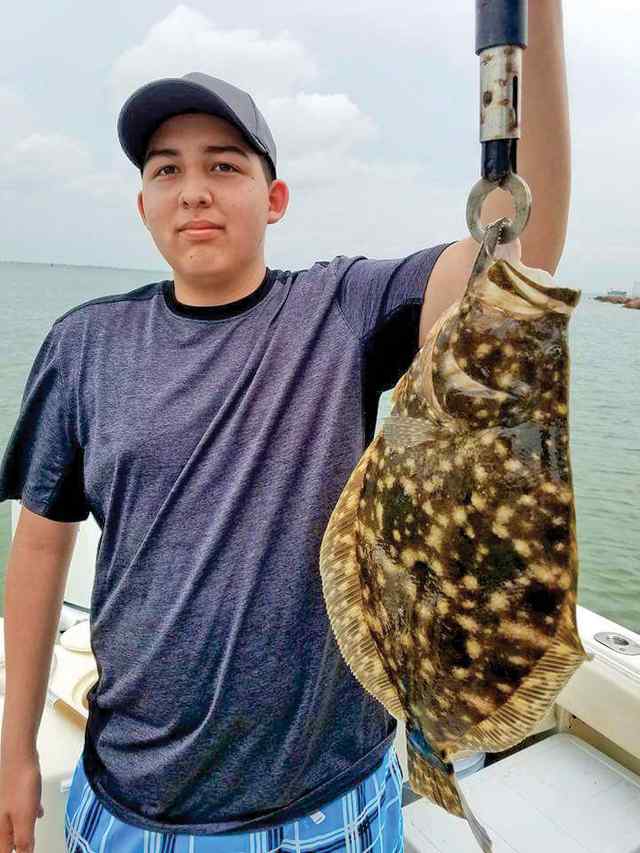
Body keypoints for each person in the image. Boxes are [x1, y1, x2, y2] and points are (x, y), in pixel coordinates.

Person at [0, 8, 570, 847]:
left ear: (273, 199)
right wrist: (15, 748)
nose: (192, 187)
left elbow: (518, 254)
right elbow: (42, 544)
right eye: (167, 169)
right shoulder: (84, 344)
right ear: (143, 202)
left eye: (222, 165)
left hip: (331, 806)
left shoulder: (339, 308)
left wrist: (537, 21)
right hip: (124, 805)